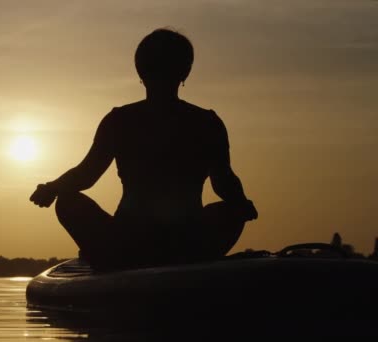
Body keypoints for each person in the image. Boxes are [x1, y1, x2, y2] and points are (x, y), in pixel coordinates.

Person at [30, 28, 258, 270]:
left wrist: (52, 188)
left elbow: (86, 175)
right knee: (233, 210)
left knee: (66, 201)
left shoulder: (120, 120)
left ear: (140, 71)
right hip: (175, 240)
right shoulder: (206, 122)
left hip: (135, 241)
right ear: (186, 71)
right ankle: (169, 260)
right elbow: (224, 182)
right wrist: (241, 203)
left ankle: (112, 258)